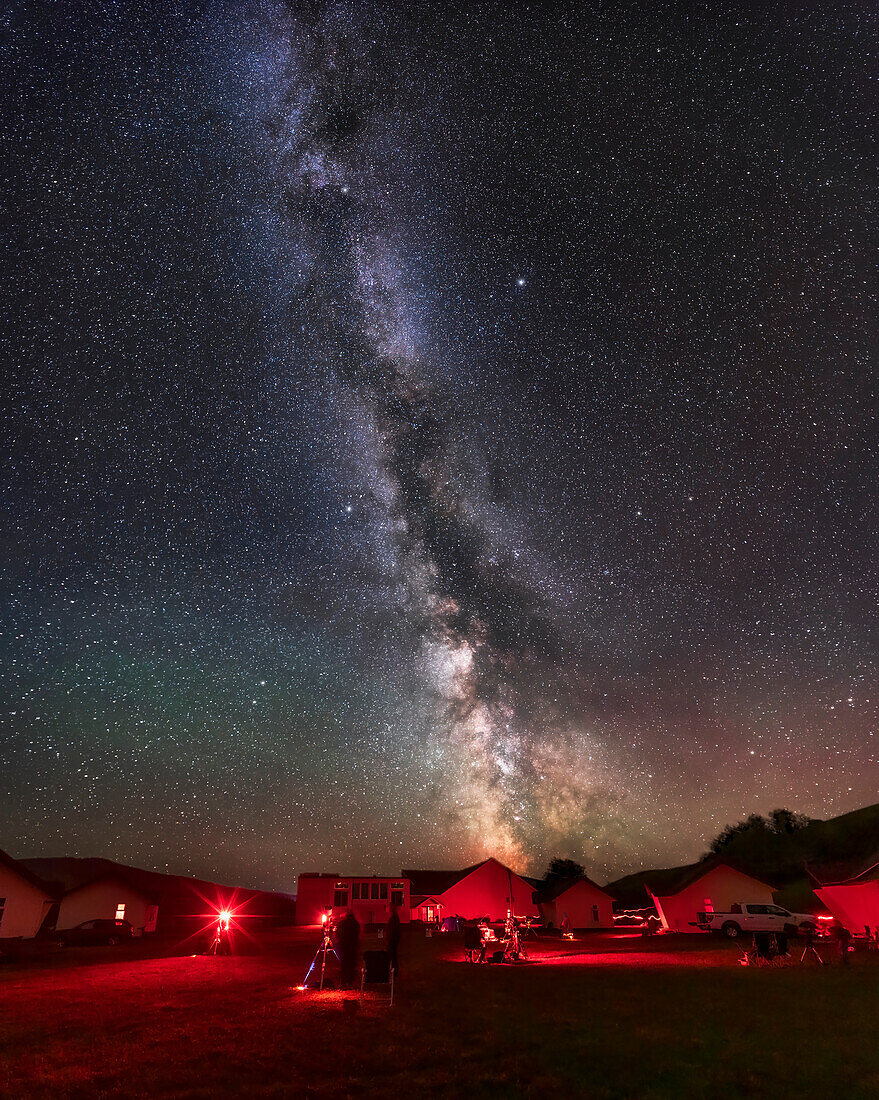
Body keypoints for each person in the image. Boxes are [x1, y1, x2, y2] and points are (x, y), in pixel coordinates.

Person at [335, 909, 360, 988]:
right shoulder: (356, 923)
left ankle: (343, 982)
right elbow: (358, 934)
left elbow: (338, 934)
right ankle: (350, 982)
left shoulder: (342, 923)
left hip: (343, 947)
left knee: (344, 965)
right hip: (353, 947)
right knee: (351, 965)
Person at [386, 900, 401, 975]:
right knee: (393, 956)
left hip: (392, 941)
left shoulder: (394, 918)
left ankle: (394, 972)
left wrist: (390, 940)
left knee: (393, 956)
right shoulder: (394, 917)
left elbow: (393, 930)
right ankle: (394, 971)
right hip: (393, 940)